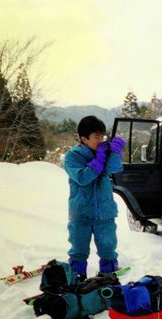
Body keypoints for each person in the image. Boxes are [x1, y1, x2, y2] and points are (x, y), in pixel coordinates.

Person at [64, 116, 126, 279]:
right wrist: (98, 160)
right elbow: (83, 178)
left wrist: (114, 153)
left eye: (102, 136)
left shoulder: (104, 152)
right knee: (79, 248)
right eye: (96, 137)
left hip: (104, 211)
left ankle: (108, 274)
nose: (101, 140)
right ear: (83, 139)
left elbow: (115, 168)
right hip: (82, 212)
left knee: (107, 246)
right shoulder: (73, 156)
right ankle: (77, 276)